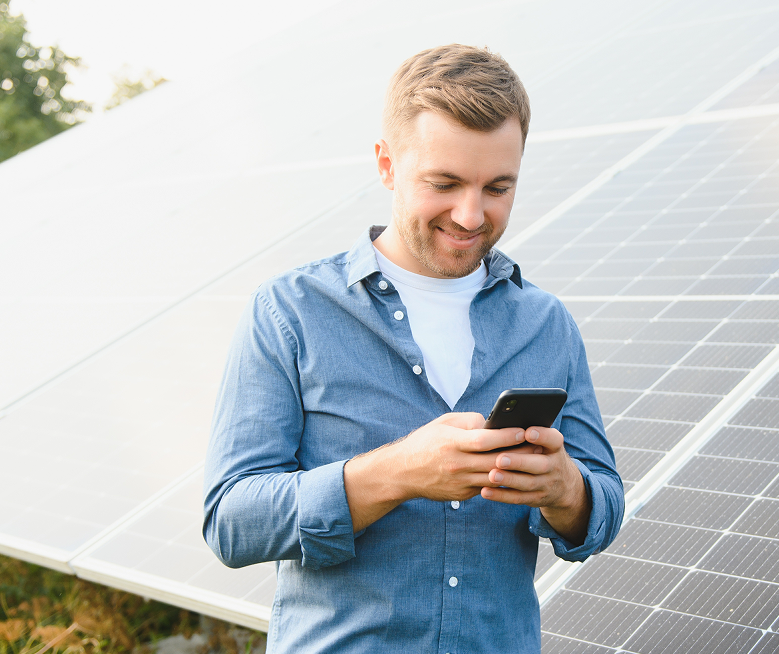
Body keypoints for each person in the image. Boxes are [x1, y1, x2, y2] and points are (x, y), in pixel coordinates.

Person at [202, 44, 623, 653]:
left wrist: (565, 490)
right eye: (444, 183)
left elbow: (603, 508)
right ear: (386, 163)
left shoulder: (546, 324)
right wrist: (395, 473)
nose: (471, 213)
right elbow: (232, 522)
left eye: (498, 187)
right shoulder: (290, 312)